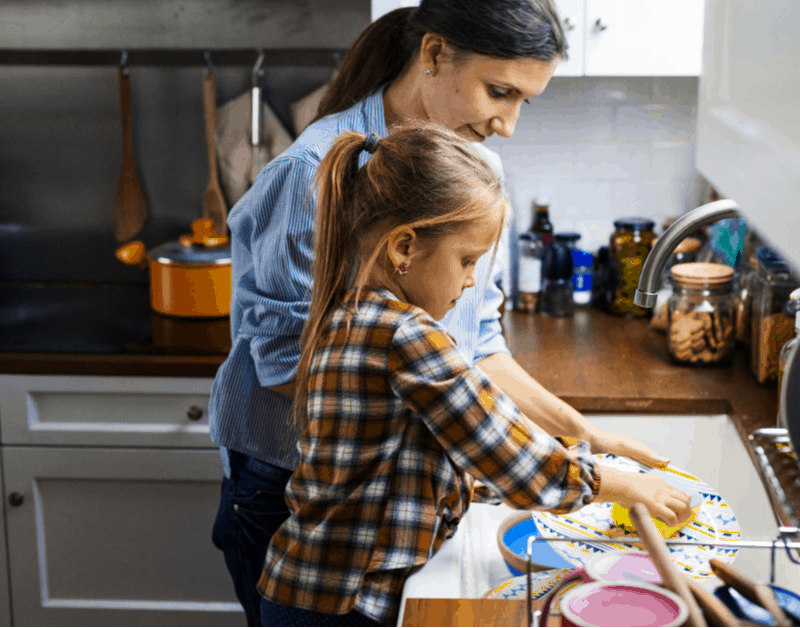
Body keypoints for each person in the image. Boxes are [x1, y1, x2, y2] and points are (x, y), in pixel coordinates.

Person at [210, 1, 674, 624]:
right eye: (498, 91)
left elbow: (477, 345)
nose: (506, 124)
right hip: (293, 496)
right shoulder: (309, 174)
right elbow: (292, 369)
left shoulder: (475, 174)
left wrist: (578, 432)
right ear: (433, 55)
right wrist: (490, 446)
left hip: (395, 501)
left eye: (523, 102)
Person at [256, 125, 693, 627]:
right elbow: (510, 455)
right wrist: (631, 487)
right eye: (467, 260)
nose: (469, 281)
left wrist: (569, 469)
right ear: (404, 248)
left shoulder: (351, 313)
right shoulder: (405, 335)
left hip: (311, 591)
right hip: (340, 605)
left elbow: (432, 464)